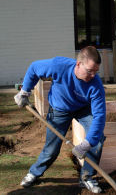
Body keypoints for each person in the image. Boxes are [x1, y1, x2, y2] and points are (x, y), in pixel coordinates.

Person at [14, 46, 106, 193]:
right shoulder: (59, 66)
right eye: (90, 71)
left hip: (83, 109)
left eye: (96, 71)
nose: (93, 75)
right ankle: (34, 173)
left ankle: (87, 177)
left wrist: (88, 143)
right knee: (52, 148)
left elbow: (99, 116)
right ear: (78, 64)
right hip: (59, 109)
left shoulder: (96, 85)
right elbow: (34, 68)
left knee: (97, 140)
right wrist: (25, 91)